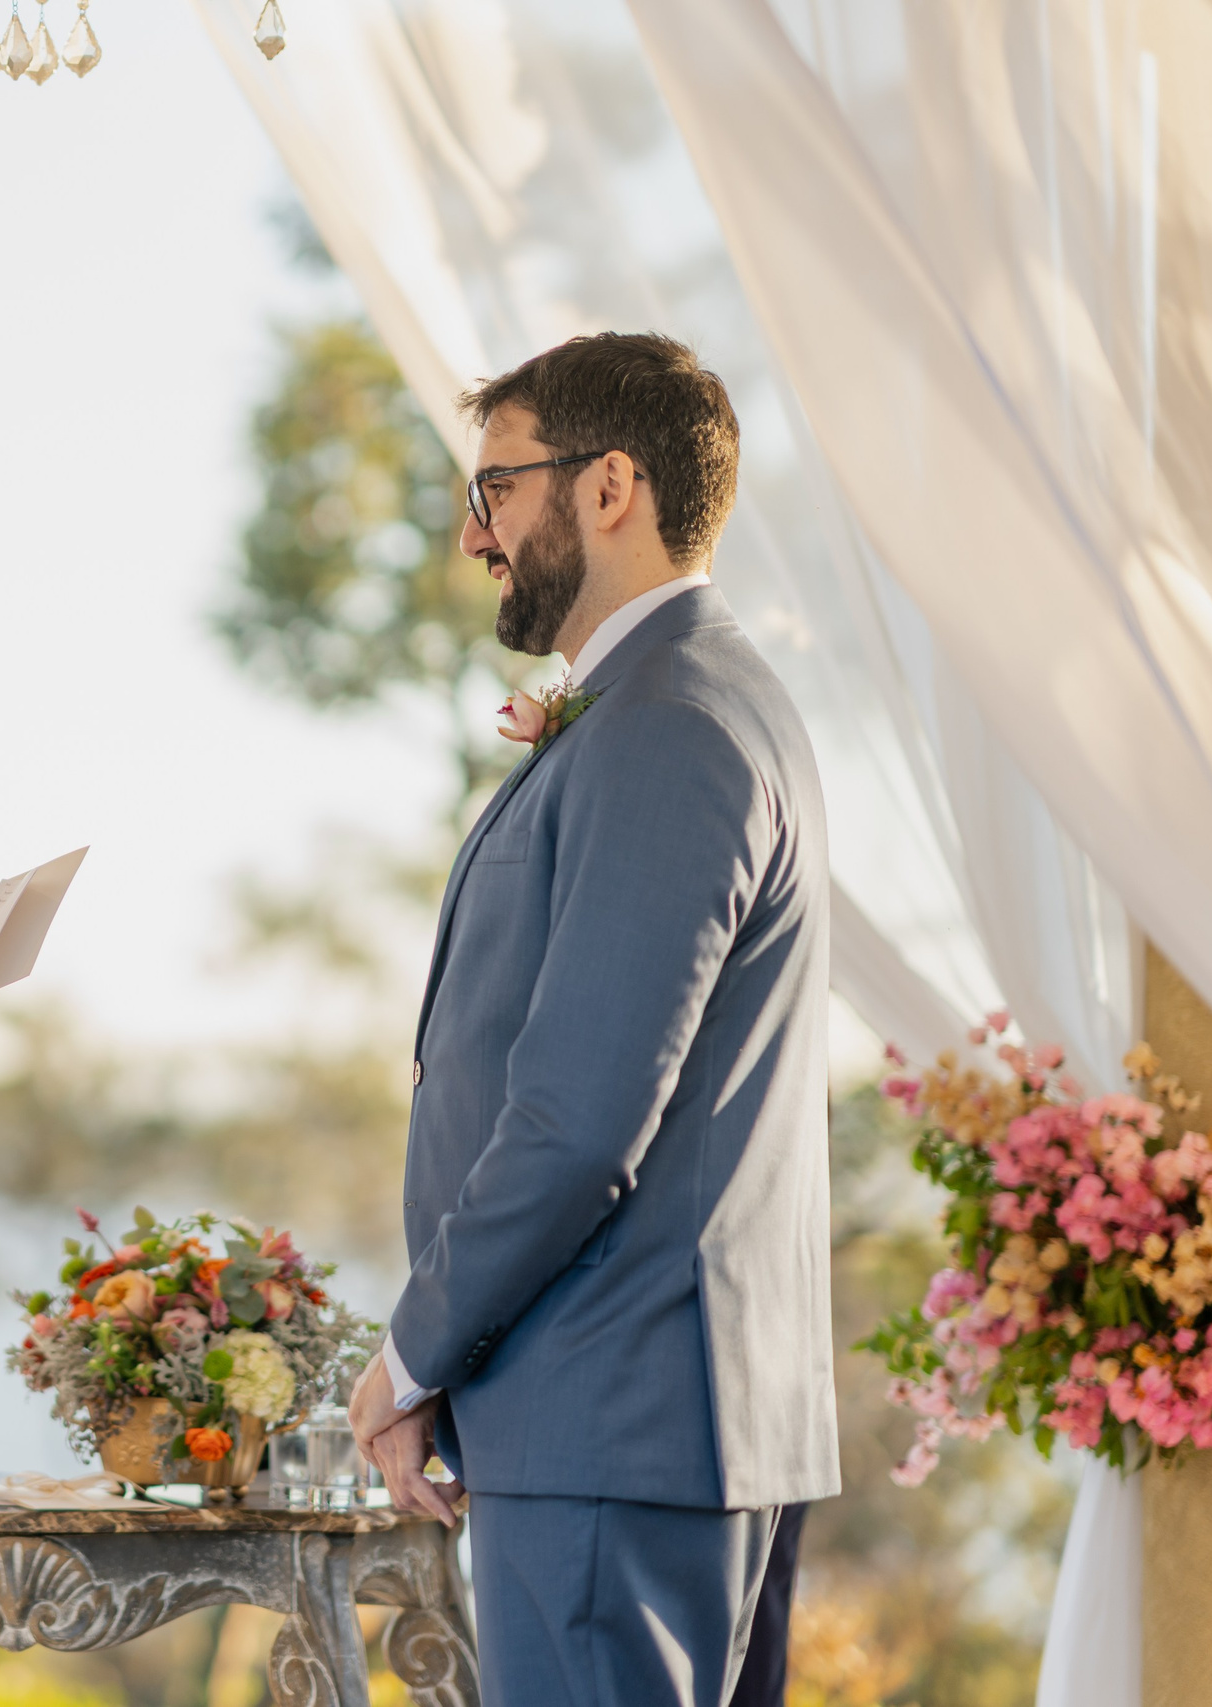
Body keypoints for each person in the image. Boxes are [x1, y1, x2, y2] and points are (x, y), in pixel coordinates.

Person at [346, 334, 839, 1707]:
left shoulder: (669, 721)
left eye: (495, 485)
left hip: (613, 1421)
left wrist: (412, 1349)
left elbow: (575, 1120)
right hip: (660, 1420)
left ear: (610, 483)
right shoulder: (681, 699)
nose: (473, 530)